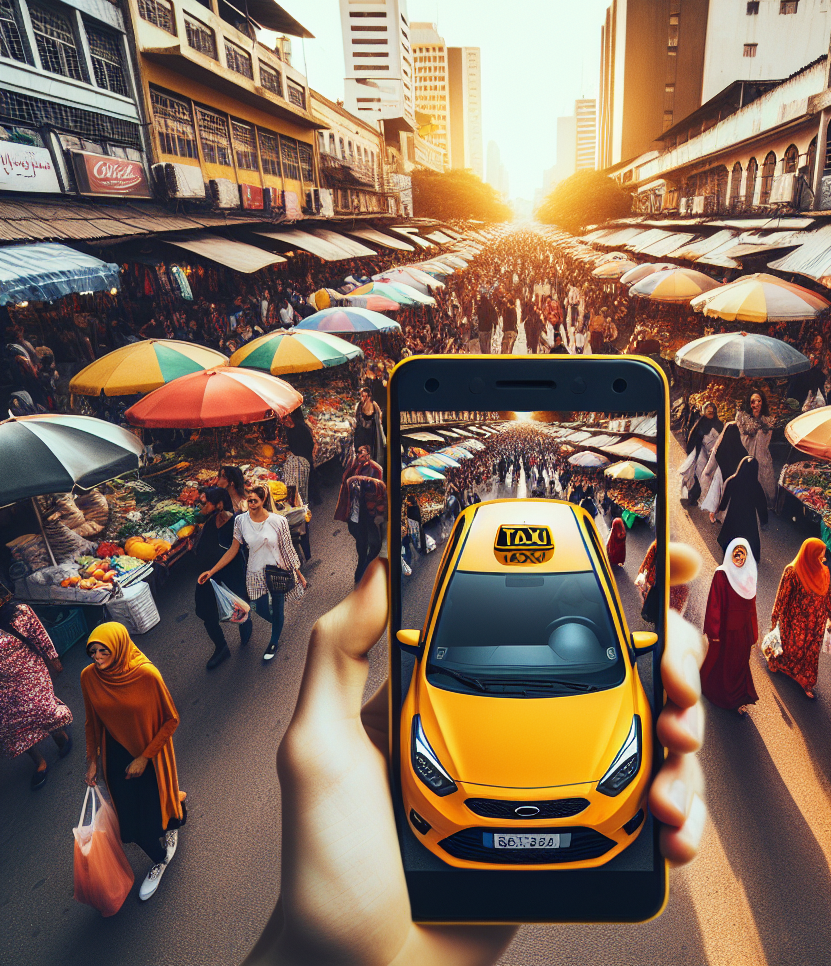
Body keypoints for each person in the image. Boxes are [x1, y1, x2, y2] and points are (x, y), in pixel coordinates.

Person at [243, 546, 706, 964]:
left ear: (635, 645)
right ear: (415, 642)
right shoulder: (426, 695)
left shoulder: (614, 672)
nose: (524, 820)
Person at [82, 623, 186, 901]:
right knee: (130, 822)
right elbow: (92, 722)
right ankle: (160, 857)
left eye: (104, 651)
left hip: (148, 754)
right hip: (115, 756)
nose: (98, 657)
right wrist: (93, 760)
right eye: (93, 651)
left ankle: (172, 822)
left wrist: (144, 757)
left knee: (157, 806)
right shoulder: (88, 677)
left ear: (119, 647)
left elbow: (171, 719)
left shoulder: (146, 674)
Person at [199, 484, 306, 662]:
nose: (251, 504)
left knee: (273, 609)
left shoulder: (278, 522)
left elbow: (287, 550)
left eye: (255, 501)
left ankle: (274, 641)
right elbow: (233, 549)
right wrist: (212, 571)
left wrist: (298, 573)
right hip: (253, 574)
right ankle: (274, 623)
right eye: (249, 501)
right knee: (257, 607)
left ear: (263, 500)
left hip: (276, 572)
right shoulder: (239, 522)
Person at [0, 584, 72, 789]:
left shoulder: (19, 612)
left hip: (30, 669)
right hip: (3, 683)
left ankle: (59, 734)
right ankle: (39, 761)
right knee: (9, 725)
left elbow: (40, 635)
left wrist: (53, 659)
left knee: (41, 709)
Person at [764, 538, 831, 698]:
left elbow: (828, 595)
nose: (824, 558)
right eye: (821, 554)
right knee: (791, 647)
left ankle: (806, 682)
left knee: (809, 655)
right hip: (794, 622)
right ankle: (775, 662)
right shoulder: (792, 571)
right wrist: (775, 618)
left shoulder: (825, 571)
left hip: (816, 625)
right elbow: (782, 596)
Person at [194, 486, 252, 670]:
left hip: (230, 571)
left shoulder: (237, 522)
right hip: (209, 575)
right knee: (206, 612)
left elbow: (233, 551)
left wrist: (211, 571)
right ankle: (221, 648)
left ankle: (245, 625)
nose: (202, 506)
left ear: (219, 503)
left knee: (240, 605)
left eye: (207, 502)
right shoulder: (210, 522)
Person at [700, 538, 759, 715]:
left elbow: (752, 606)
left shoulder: (749, 575)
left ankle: (739, 698)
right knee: (725, 664)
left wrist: (753, 631)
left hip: (743, 631)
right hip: (726, 631)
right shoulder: (722, 574)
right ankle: (727, 698)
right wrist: (714, 631)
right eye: (736, 555)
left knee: (740, 664)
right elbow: (715, 604)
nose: (739, 560)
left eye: (743, 556)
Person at [335, 450, 387, 584]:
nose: (361, 456)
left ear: (369, 454)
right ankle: (361, 573)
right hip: (356, 515)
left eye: (364, 453)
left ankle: (364, 569)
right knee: (362, 545)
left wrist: (379, 515)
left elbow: (379, 494)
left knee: (375, 545)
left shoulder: (375, 470)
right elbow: (344, 487)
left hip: (369, 514)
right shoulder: (352, 468)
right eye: (359, 453)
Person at [715, 456, 769, 562]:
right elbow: (762, 505)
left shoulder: (733, 480)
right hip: (749, 518)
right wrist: (764, 521)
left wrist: (720, 508)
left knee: (730, 536)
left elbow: (725, 499)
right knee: (749, 540)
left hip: (733, 514)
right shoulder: (756, 486)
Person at [699, 421, 749, 522]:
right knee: (728, 497)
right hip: (733, 476)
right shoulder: (741, 449)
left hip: (720, 473)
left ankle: (713, 514)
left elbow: (716, 458)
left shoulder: (721, 447)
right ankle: (725, 516)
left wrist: (708, 472)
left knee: (717, 494)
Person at [735, 390, 777, 505]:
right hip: (747, 453)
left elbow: (767, 438)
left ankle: (767, 503)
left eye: (759, 401)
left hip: (762, 455)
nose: (756, 404)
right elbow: (744, 432)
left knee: (765, 477)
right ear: (749, 403)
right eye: (753, 401)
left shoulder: (768, 420)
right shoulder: (743, 418)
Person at [681, 402, 723, 506]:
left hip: (714, 456)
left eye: (712, 412)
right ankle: (694, 497)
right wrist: (692, 453)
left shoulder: (719, 425)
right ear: (704, 412)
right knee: (698, 475)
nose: (711, 413)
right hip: (701, 453)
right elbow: (691, 439)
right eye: (708, 412)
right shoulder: (699, 424)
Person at [281, 409, 314, 505]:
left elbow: (309, 442)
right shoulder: (288, 430)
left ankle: (312, 498)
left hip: (305, 454)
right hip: (298, 455)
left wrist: (305, 453)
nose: (284, 421)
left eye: (285, 418)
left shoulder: (301, 427)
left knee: (310, 476)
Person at [353, 386, 386, 467]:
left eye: (365, 396)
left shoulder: (374, 405)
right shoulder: (359, 405)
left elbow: (379, 420)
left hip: (371, 433)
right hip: (361, 433)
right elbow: (356, 418)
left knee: (371, 453)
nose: (363, 398)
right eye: (362, 396)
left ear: (369, 396)